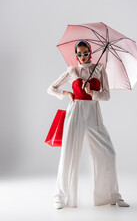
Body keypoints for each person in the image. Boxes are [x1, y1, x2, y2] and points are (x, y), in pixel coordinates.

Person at [47, 40, 130, 209]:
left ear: (90, 52)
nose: (82, 57)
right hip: (75, 111)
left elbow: (106, 95)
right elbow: (51, 88)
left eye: (85, 53)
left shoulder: (99, 69)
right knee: (68, 152)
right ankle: (60, 197)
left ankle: (112, 195)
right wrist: (65, 92)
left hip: (93, 113)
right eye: (79, 54)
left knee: (108, 153)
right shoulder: (72, 70)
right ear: (76, 55)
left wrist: (92, 93)